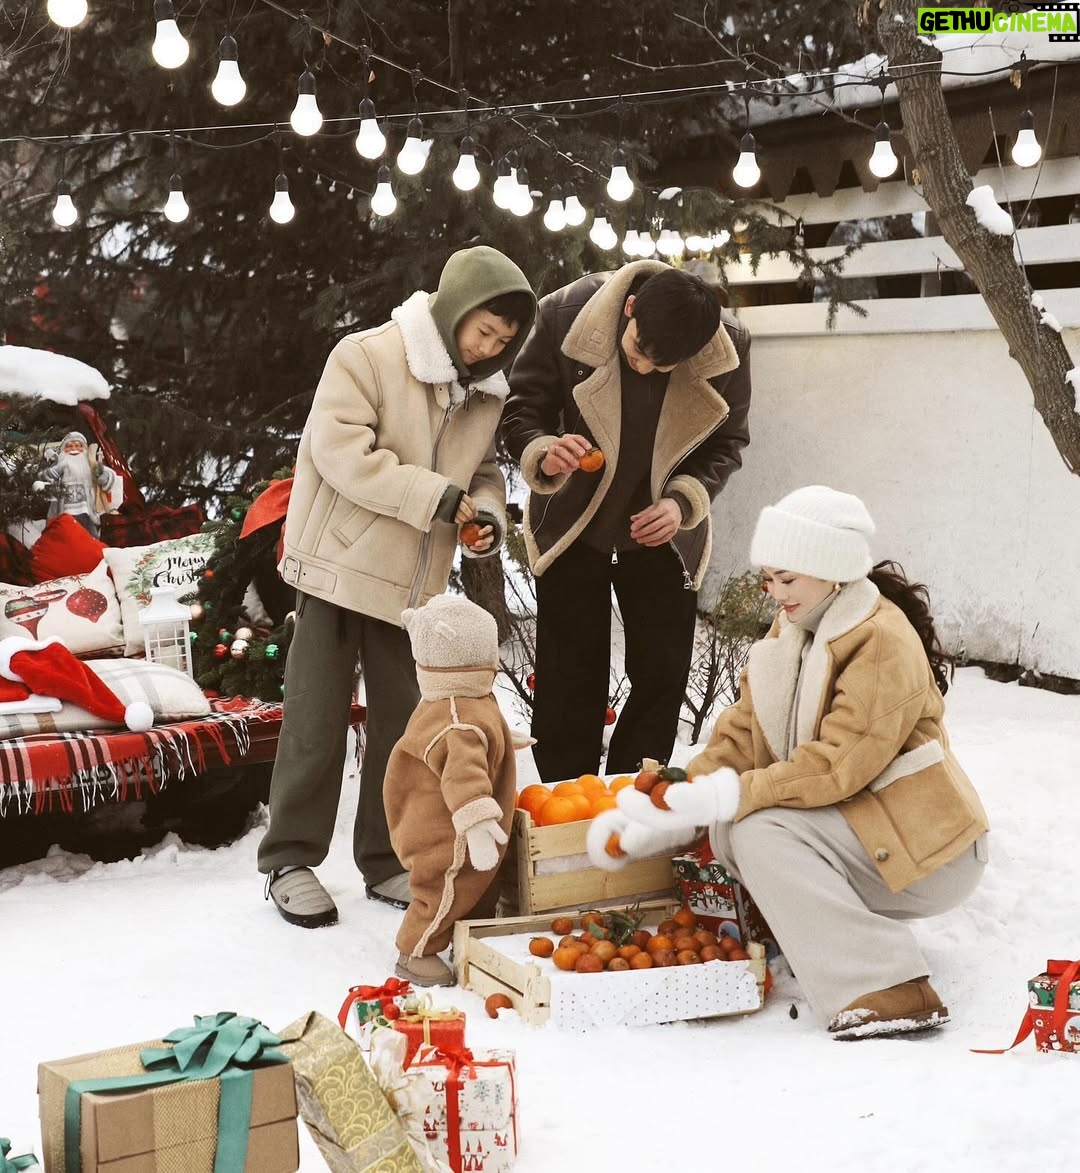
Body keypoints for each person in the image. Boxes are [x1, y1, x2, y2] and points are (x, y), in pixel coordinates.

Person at [587, 485, 989, 1039]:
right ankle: (822, 940)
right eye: (769, 580)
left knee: (758, 828)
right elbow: (743, 733)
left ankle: (889, 986)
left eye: (787, 579)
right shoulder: (793, 630)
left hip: (928, 849)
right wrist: (676, 803)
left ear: (830, 570)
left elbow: (837, 765)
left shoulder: (880, 639)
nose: (775, 593)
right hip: (867, 829)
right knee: (734, 828)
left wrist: (728, 796)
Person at [258, 246, 536, 928]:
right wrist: (435, 498)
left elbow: (483, 474)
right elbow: (340, 453)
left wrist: (484, 518)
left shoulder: (486, 392)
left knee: (404, 727)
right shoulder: (366, 355)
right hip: (337, 568)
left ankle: (385, 857)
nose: (488, 349)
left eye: (502, 341)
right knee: (316, 721)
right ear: (454, 309)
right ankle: (289, 859)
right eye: (483, 331)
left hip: (413, 588)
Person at [500, 260, 752, 783]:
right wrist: (545, 450)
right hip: (572, 524)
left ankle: (636, 798)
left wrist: (682, 503)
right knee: (568, 681)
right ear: (630, 308)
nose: (643, 368)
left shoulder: (728, 347)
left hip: (665, 534)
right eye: (637, 350)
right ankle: (565, 802)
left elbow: (728, 444)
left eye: (662, 367)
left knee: (662, 675)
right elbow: (521, 410)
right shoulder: (564, 313)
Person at [383, 594, 517, 986]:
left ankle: (468, 936)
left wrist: (505, 743)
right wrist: (476, 821)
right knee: (445, 889)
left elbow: (481, 736)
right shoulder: (457, 719)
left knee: (478, 885)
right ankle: (416, 950)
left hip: (447, 817)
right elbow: (462, 776)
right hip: (446, 830)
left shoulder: (462, 702)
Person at [32, 431, 119, 538]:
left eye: (78, 446)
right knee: (65, 534)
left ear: (84, 449)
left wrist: (99, 471)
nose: (74, 449)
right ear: (64, 450)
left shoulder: (90, 464)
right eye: (69, 446)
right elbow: (48, 475)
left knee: (89, 535)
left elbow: (105, 478)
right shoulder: (61, 464)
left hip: (87, 510)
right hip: (65, 510)